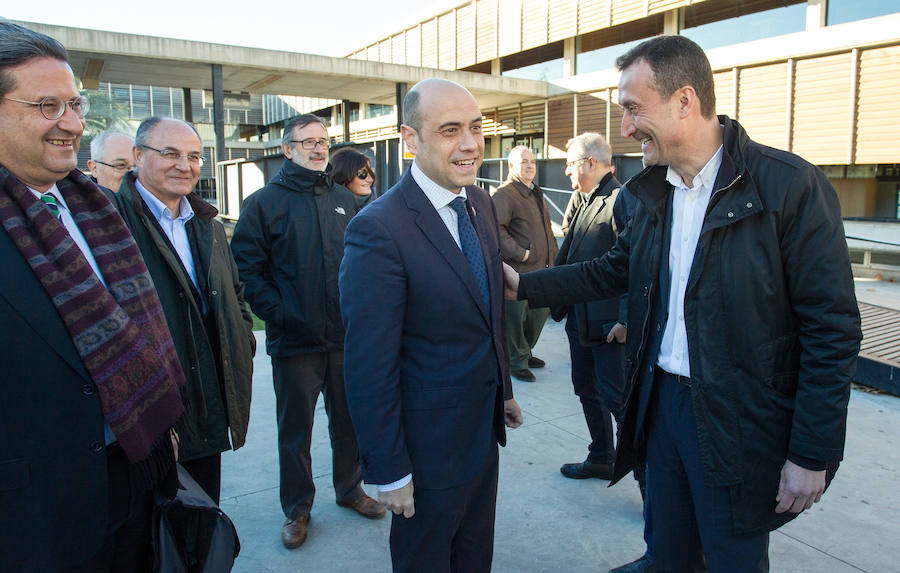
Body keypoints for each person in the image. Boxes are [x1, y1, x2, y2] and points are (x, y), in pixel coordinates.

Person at [505, 35, 861, 572]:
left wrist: (812, 453)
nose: (624, 128)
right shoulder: (649, 193)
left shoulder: (789, 187)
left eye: (632, 109)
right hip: (660, 405)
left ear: (685, 101)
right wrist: (523, 286)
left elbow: (831, 329)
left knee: (730, 558)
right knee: (667, 552)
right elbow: (616, 269)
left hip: (739, 419)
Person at [0, 21, 184, 571]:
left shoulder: (95, 205)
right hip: (34, 511)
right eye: (48, 107)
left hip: (136, 470)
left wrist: (159, 430)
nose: (73, 124)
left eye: (76, 105)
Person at [340, 78, 524, 572]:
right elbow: (367, 365)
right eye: (449, 130)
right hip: (425, 453)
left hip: (481, 436)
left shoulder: (480, 204)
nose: (469, 144)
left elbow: (489, 313)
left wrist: (503, 388)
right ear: (410, 138)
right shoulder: (378, 228)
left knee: (473, 557)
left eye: (475, 127)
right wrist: (389, 468)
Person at [231, 113, 383, 550]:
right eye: (308, 141)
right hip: (294, 340)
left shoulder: (343, 197)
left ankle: (350, 490)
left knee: (349, 423)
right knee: (295, 432)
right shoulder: (264, 203)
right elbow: (247, 269)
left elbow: (364, 261)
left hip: (344, 337)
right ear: (287, 149)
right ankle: (297, 508)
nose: (319, 148)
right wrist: (279, 313)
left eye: (324, 141)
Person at [110, 116, 256, 504]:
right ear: (138, 156)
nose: (184, 165)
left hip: (208, 403)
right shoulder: (112, 224)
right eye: (170, 153)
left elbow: (234, 293)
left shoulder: (205, 222)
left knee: (204, 522)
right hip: (150, 415)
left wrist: (242, 342)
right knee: (154, 537)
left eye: (194, 156)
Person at [553, 133, 632, 481]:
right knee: (586, 389)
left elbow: (638, 263)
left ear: (589, 163)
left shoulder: (620, 200)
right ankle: (602, 456)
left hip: (609, 325)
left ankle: (649, 481)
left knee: (619, 401)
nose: (568, 172)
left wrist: (625, 319)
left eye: (571, 164)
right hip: (582, 319)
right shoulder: (585, 199)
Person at [491, 145, 557, 382]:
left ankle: (524, 353)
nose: (530, 166)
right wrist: (522, 254)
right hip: (519, 273)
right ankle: (516, 362)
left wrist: (553, 255)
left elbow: (547, 229)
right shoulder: (505, 194)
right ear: (511, 166)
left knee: (537, 317)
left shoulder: (535, 192)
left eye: (532, 161)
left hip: (542, 270)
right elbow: (494, 230)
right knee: (516, 321)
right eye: (523, 162)